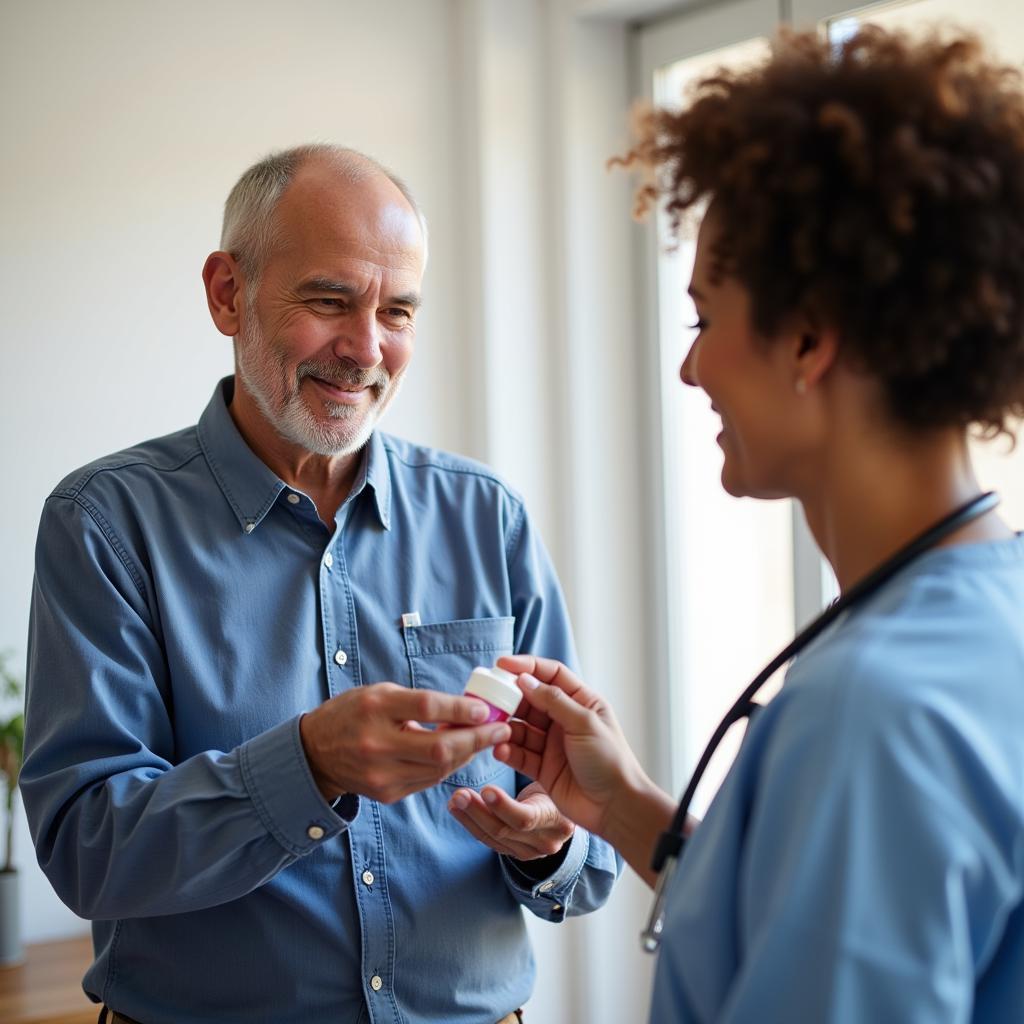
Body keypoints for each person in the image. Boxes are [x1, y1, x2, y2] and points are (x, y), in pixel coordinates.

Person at [492, 25, 1024, 1022]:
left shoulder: (874, 712)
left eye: (703, 318)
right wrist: (626, 811)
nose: (690, 370)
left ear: (809, 337)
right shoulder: (991, 615)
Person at [21, 144, 618, 1024]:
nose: (366, 349)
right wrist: (308, 765)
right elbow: (87, 850)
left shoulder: (486, 516)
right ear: (228, 292)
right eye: (330, 301)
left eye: (399, 311)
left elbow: (586, 849)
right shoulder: (105, 522)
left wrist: (549, 842)